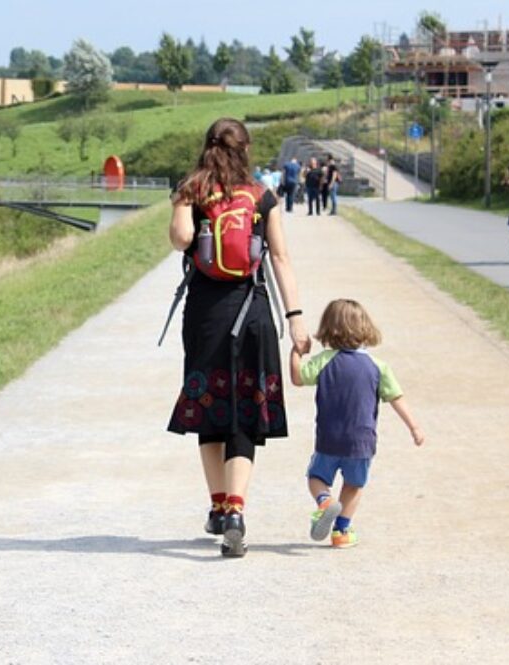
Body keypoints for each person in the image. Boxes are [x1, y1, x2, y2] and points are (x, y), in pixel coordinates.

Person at [167, 117, 310, 558]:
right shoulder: (262, 196)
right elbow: (281, 259)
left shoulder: (193, 190)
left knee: (209, 408)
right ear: (245, 150)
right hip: (255, 313)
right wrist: (297, 319)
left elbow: (181, 240)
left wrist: (180, 201)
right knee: (245, 412)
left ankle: (216, 504)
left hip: (207, 314)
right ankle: (235, 512)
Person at [289, 299, 425, 549]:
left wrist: (297, 352)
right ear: (365, 328)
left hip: (329, 439)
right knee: (354, 484)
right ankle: (342, 531)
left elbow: (298, 378)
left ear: (329, 329)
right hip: (361, 442)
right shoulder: (377, 366)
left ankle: (325, 501)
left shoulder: (324, 360)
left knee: (316, 476)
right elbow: (396, 397)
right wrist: (414, 426)